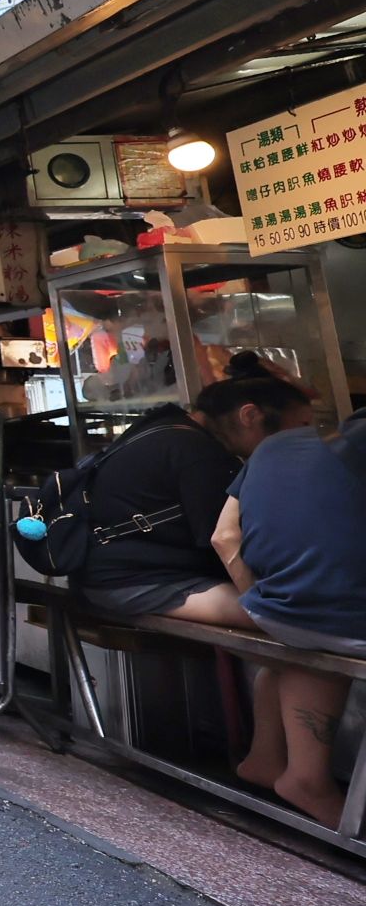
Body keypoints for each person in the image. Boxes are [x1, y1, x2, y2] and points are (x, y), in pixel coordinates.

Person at [71, 354, 313, 626]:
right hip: (130, 582)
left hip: (101, 572)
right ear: (250, 415)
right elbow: (223, 543)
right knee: (295, 618)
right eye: (302, 427)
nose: (306, 438)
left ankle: (273, 670)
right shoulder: (200, 454)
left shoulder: (168, 425)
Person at [214, 411, 366, 828]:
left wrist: (264, 600)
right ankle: (305, 778)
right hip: (342, 621)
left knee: (305, 640)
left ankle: (271, 761)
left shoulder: (274, 446)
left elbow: (223, 535)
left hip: (279, 613)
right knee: (324, 627)